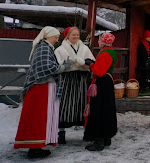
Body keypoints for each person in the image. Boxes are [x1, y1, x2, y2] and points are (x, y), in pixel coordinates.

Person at [14, 26, 72, 159]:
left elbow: (46, 66)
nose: (57, 40)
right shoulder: (44, 48)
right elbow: (48, 68)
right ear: (47, 36)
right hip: (41, 88)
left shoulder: (44, 47)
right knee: (39, 116)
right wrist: (64, 66)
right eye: (55, 37)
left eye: (58, 37)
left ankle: (36, 146)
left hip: (43, 87)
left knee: (40, 116)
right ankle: (35, 148)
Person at [54, 26, 95, 144]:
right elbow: (58, 64)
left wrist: (84, 63)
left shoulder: (84, 48)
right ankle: (61, 133)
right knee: (65, 104)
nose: (76, 37)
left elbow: (92, 61)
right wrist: (70, 62)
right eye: (73, 35)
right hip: (68, 78)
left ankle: (86, 132)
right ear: (67, 36)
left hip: (81, 78)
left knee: (83, 103)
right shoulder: (61, 49)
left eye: (77, 35)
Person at [83, 32, 118, 151]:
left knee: (99, 109)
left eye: (99, 40)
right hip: (107, 82)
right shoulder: (111, 51)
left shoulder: (105, 53)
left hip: (102, 83)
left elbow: (99, 71)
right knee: (107, 108)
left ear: (103, 41)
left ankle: (99, 141)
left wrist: (91, 64)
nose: (98, 41)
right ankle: (107, 137)